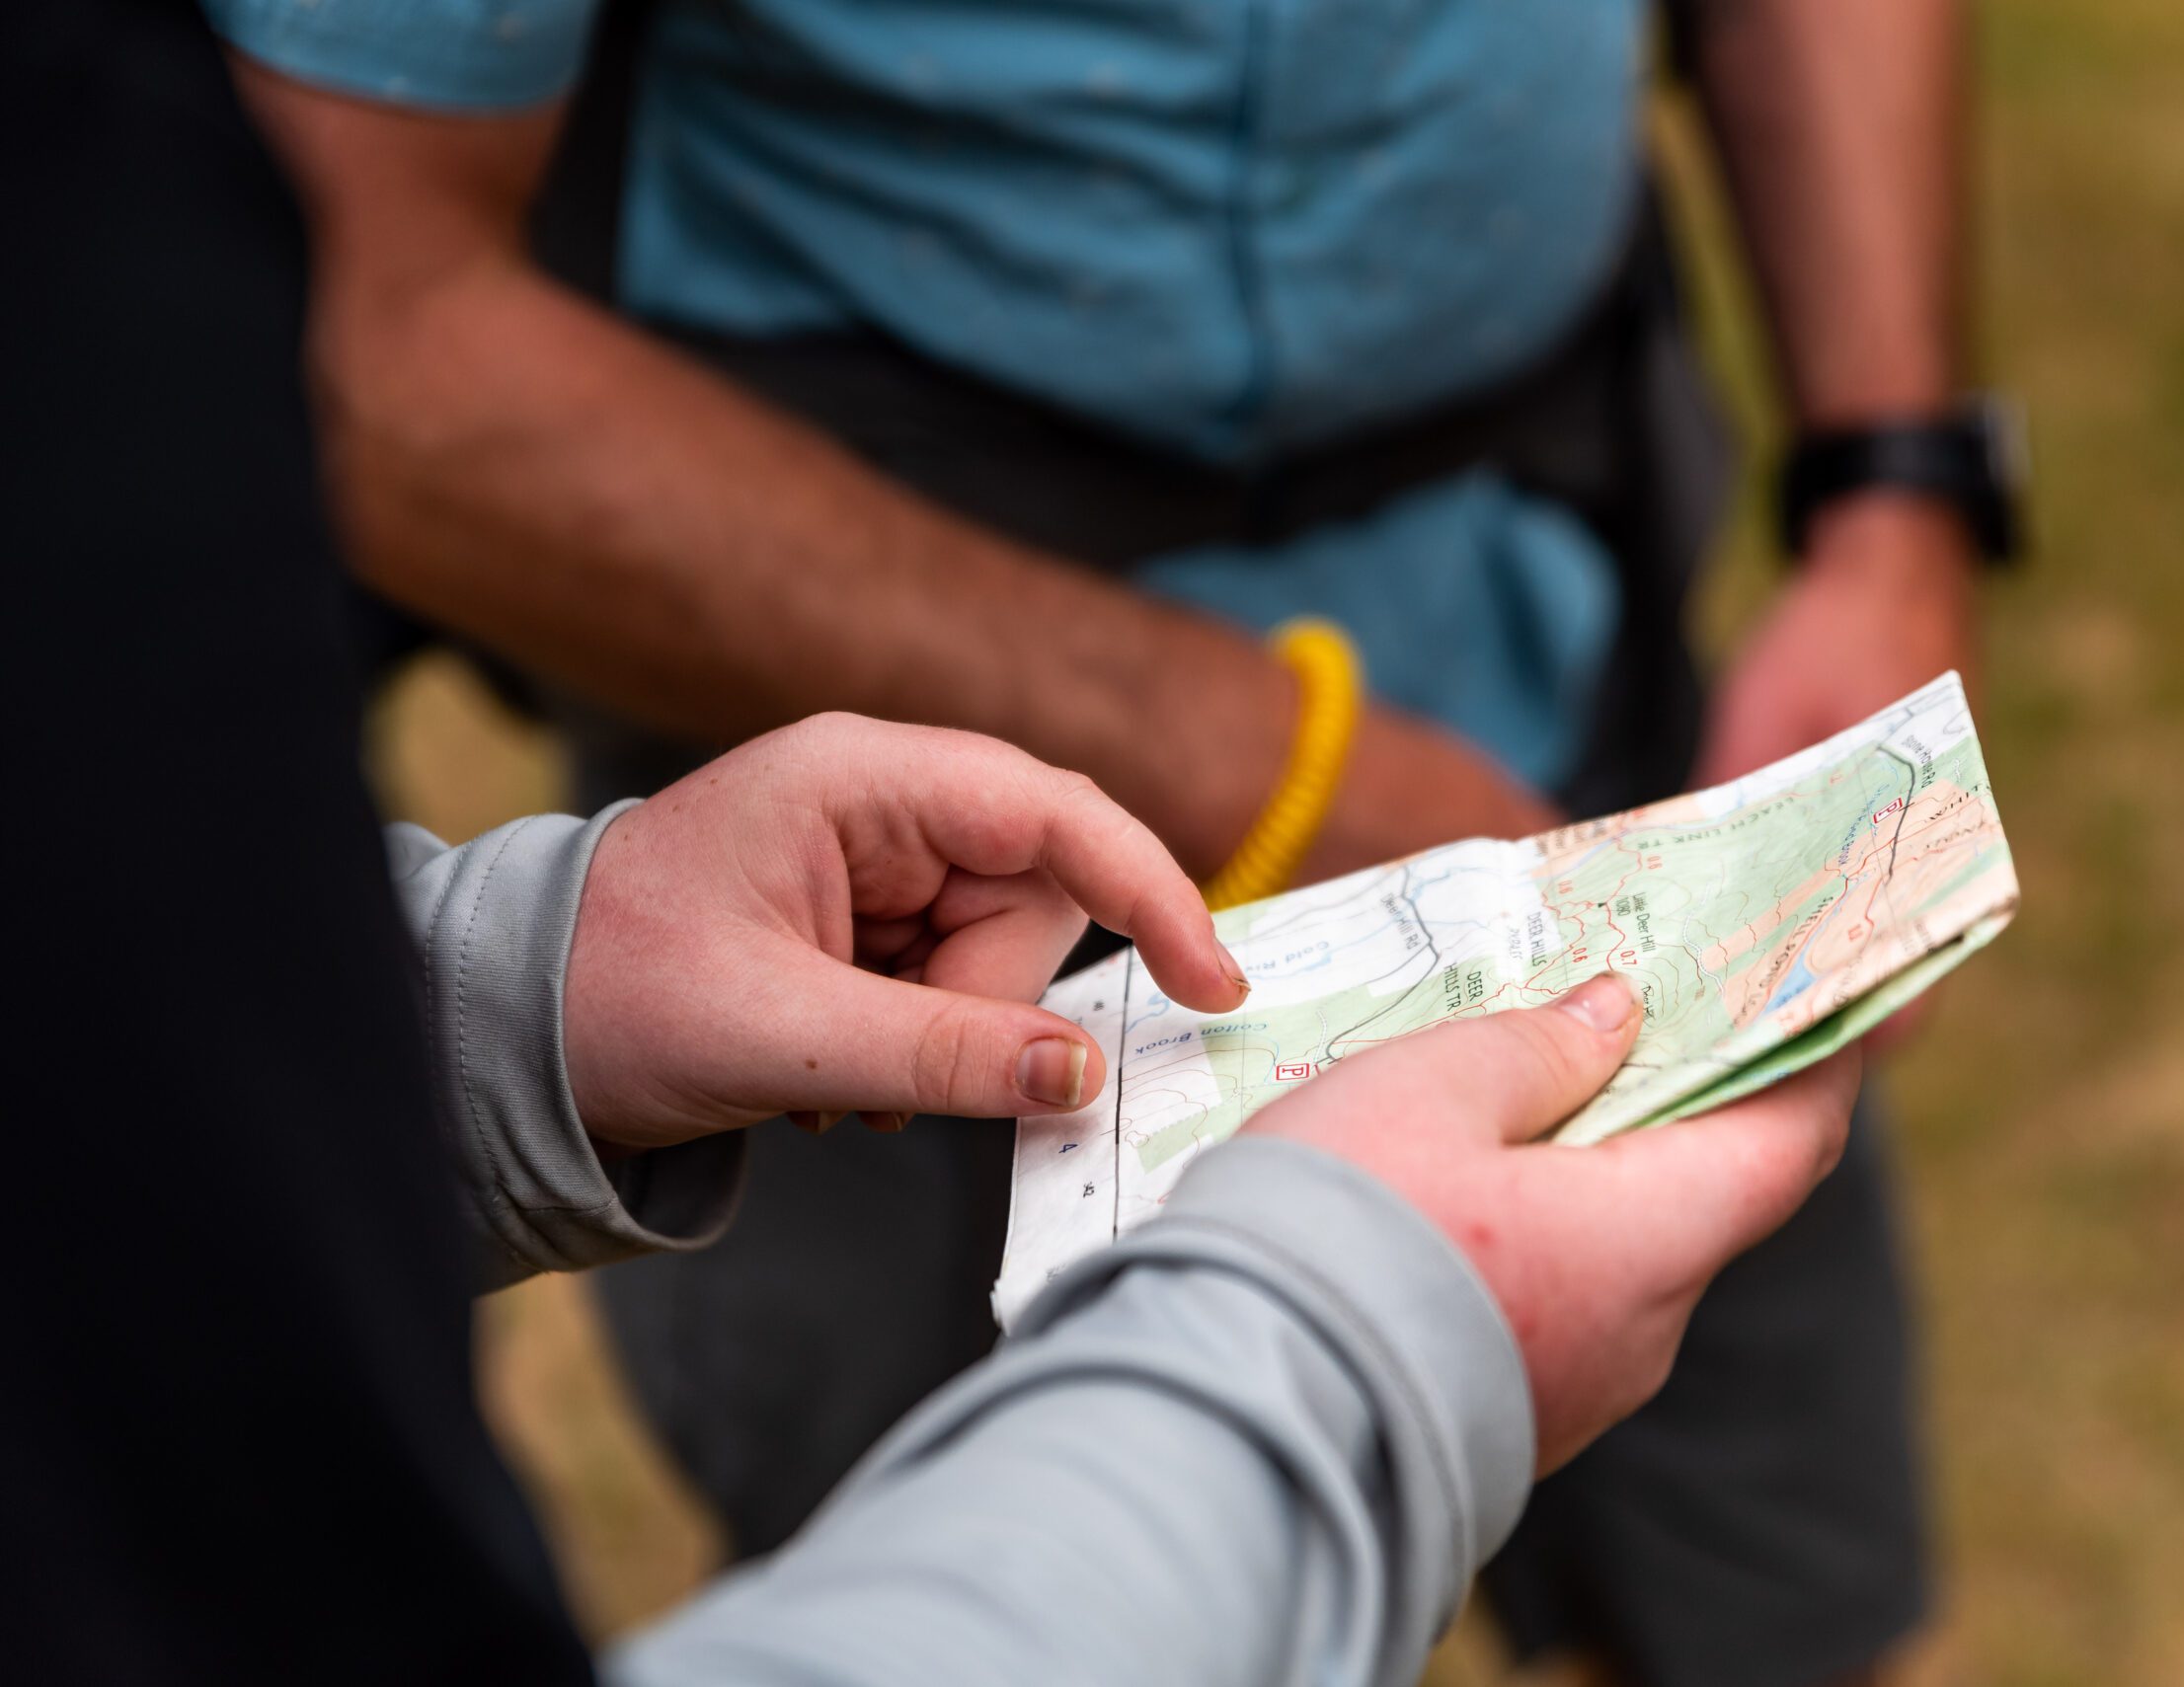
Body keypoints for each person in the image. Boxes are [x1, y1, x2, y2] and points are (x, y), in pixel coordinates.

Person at [9, 10, 1856, 1682]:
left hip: (1557, 594)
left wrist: (541, 978)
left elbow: (101, 1084)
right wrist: (1357, 1323)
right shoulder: (98, 189)